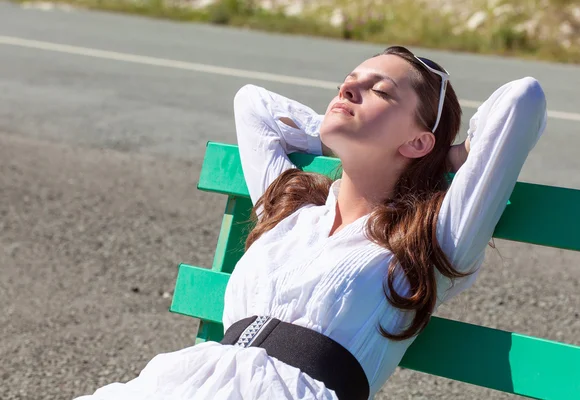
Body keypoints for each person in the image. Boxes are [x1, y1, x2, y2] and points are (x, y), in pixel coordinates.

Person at [75, 46, 547, 400]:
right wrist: (341, 132)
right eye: (349, 81)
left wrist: (448, 155)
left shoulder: (429, 241)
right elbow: (253, 105)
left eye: (380, 90)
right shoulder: (290, 209)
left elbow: (522, 101)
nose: (348, 90)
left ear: (418, 142)